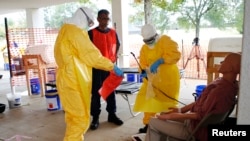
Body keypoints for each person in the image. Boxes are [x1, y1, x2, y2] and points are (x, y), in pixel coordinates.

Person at [54, 7, 123, 141]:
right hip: (77, 76)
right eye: (90, 22)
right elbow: (91, 56)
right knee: (80, 118)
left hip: (69, 76)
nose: (89, 26)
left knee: (74, 117)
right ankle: (92, 120)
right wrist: (111, 66)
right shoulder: (76, 33)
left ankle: (111, 114)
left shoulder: (65, 29)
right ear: (83, 18)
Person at [145, 52, 241, 141]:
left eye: (225, 61)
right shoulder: (229, 85)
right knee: (163, 114)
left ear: (231, 68)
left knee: (153, 121)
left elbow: (201, 116)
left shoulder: (220, 91)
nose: (221, 62)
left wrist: (175, 116)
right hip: (196, 123)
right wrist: (180, 111)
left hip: (195, 130)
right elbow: (201, 103)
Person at [133, 24, 181, 133]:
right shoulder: (144, 48)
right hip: (152, 80)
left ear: (155, 35)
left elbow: (175, 55)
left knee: (168, 103)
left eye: (150, 40)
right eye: (146, 41)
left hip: (168, 78)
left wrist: (161, 60)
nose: (148, 43)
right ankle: (148, 125)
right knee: (149, 102)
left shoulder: (166, 41)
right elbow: (143, 63)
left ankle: (168, 125)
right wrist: (143, 70)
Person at [88, 9, 123, 130]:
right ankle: (95, 118)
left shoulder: (113, 33)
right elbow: (87, 51)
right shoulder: (91, 33)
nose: (105, 21)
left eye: (107, 18)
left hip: (110, 67)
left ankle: (112, 115)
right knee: (96, 93)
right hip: (96, 68)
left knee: (110, 91)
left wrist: (113, 58)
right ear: (98, 19)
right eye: (103, 18)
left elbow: (117, 44)